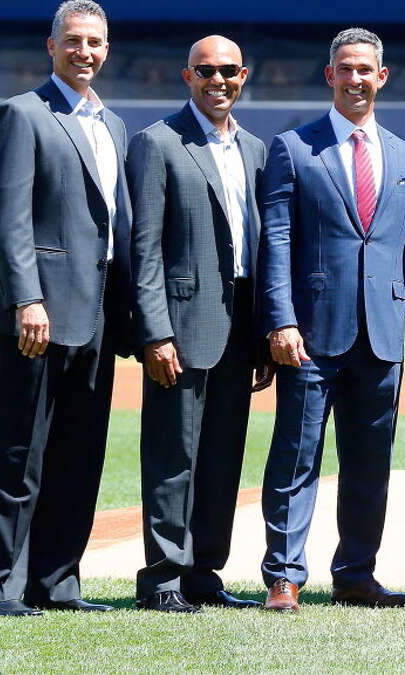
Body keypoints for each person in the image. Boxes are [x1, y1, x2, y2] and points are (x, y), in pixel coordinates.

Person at [257, 28, 405, 611]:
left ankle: (356, 574)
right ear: (328, 75)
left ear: (382, 77)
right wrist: (280, 321)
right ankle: (285, 576)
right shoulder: (293, 148)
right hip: (311, 335)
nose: (356, 79)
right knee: (296, 456)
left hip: (381, 337)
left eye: (366, 70)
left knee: (369, 463)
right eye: (345, 69)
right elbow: (277, 241)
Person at [0, 0, 131, 616]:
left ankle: (57, 584)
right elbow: (7, 219)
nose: (84, 52)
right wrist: (27, 299)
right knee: (16, 454)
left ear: (106, 49)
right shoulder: (22, 114)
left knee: (77, 456)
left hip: (95, 318)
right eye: (73, 41)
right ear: (52, 45)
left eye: (94, 42)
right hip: (34, 319)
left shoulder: (113, 126)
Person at [127, 36, 274, 613]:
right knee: (172, 453)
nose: (218, 80)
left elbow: (261, 248)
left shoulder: (257, 150)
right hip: (182, 323)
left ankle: (204, 574)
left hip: (241, 322)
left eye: (229, 71)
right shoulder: (158, 143)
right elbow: (144, 251)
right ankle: (163, 575)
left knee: (222, 454)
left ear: (244, 76)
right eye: (206, 71)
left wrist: (264, 330)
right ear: (187, 77)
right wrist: (154, 332)